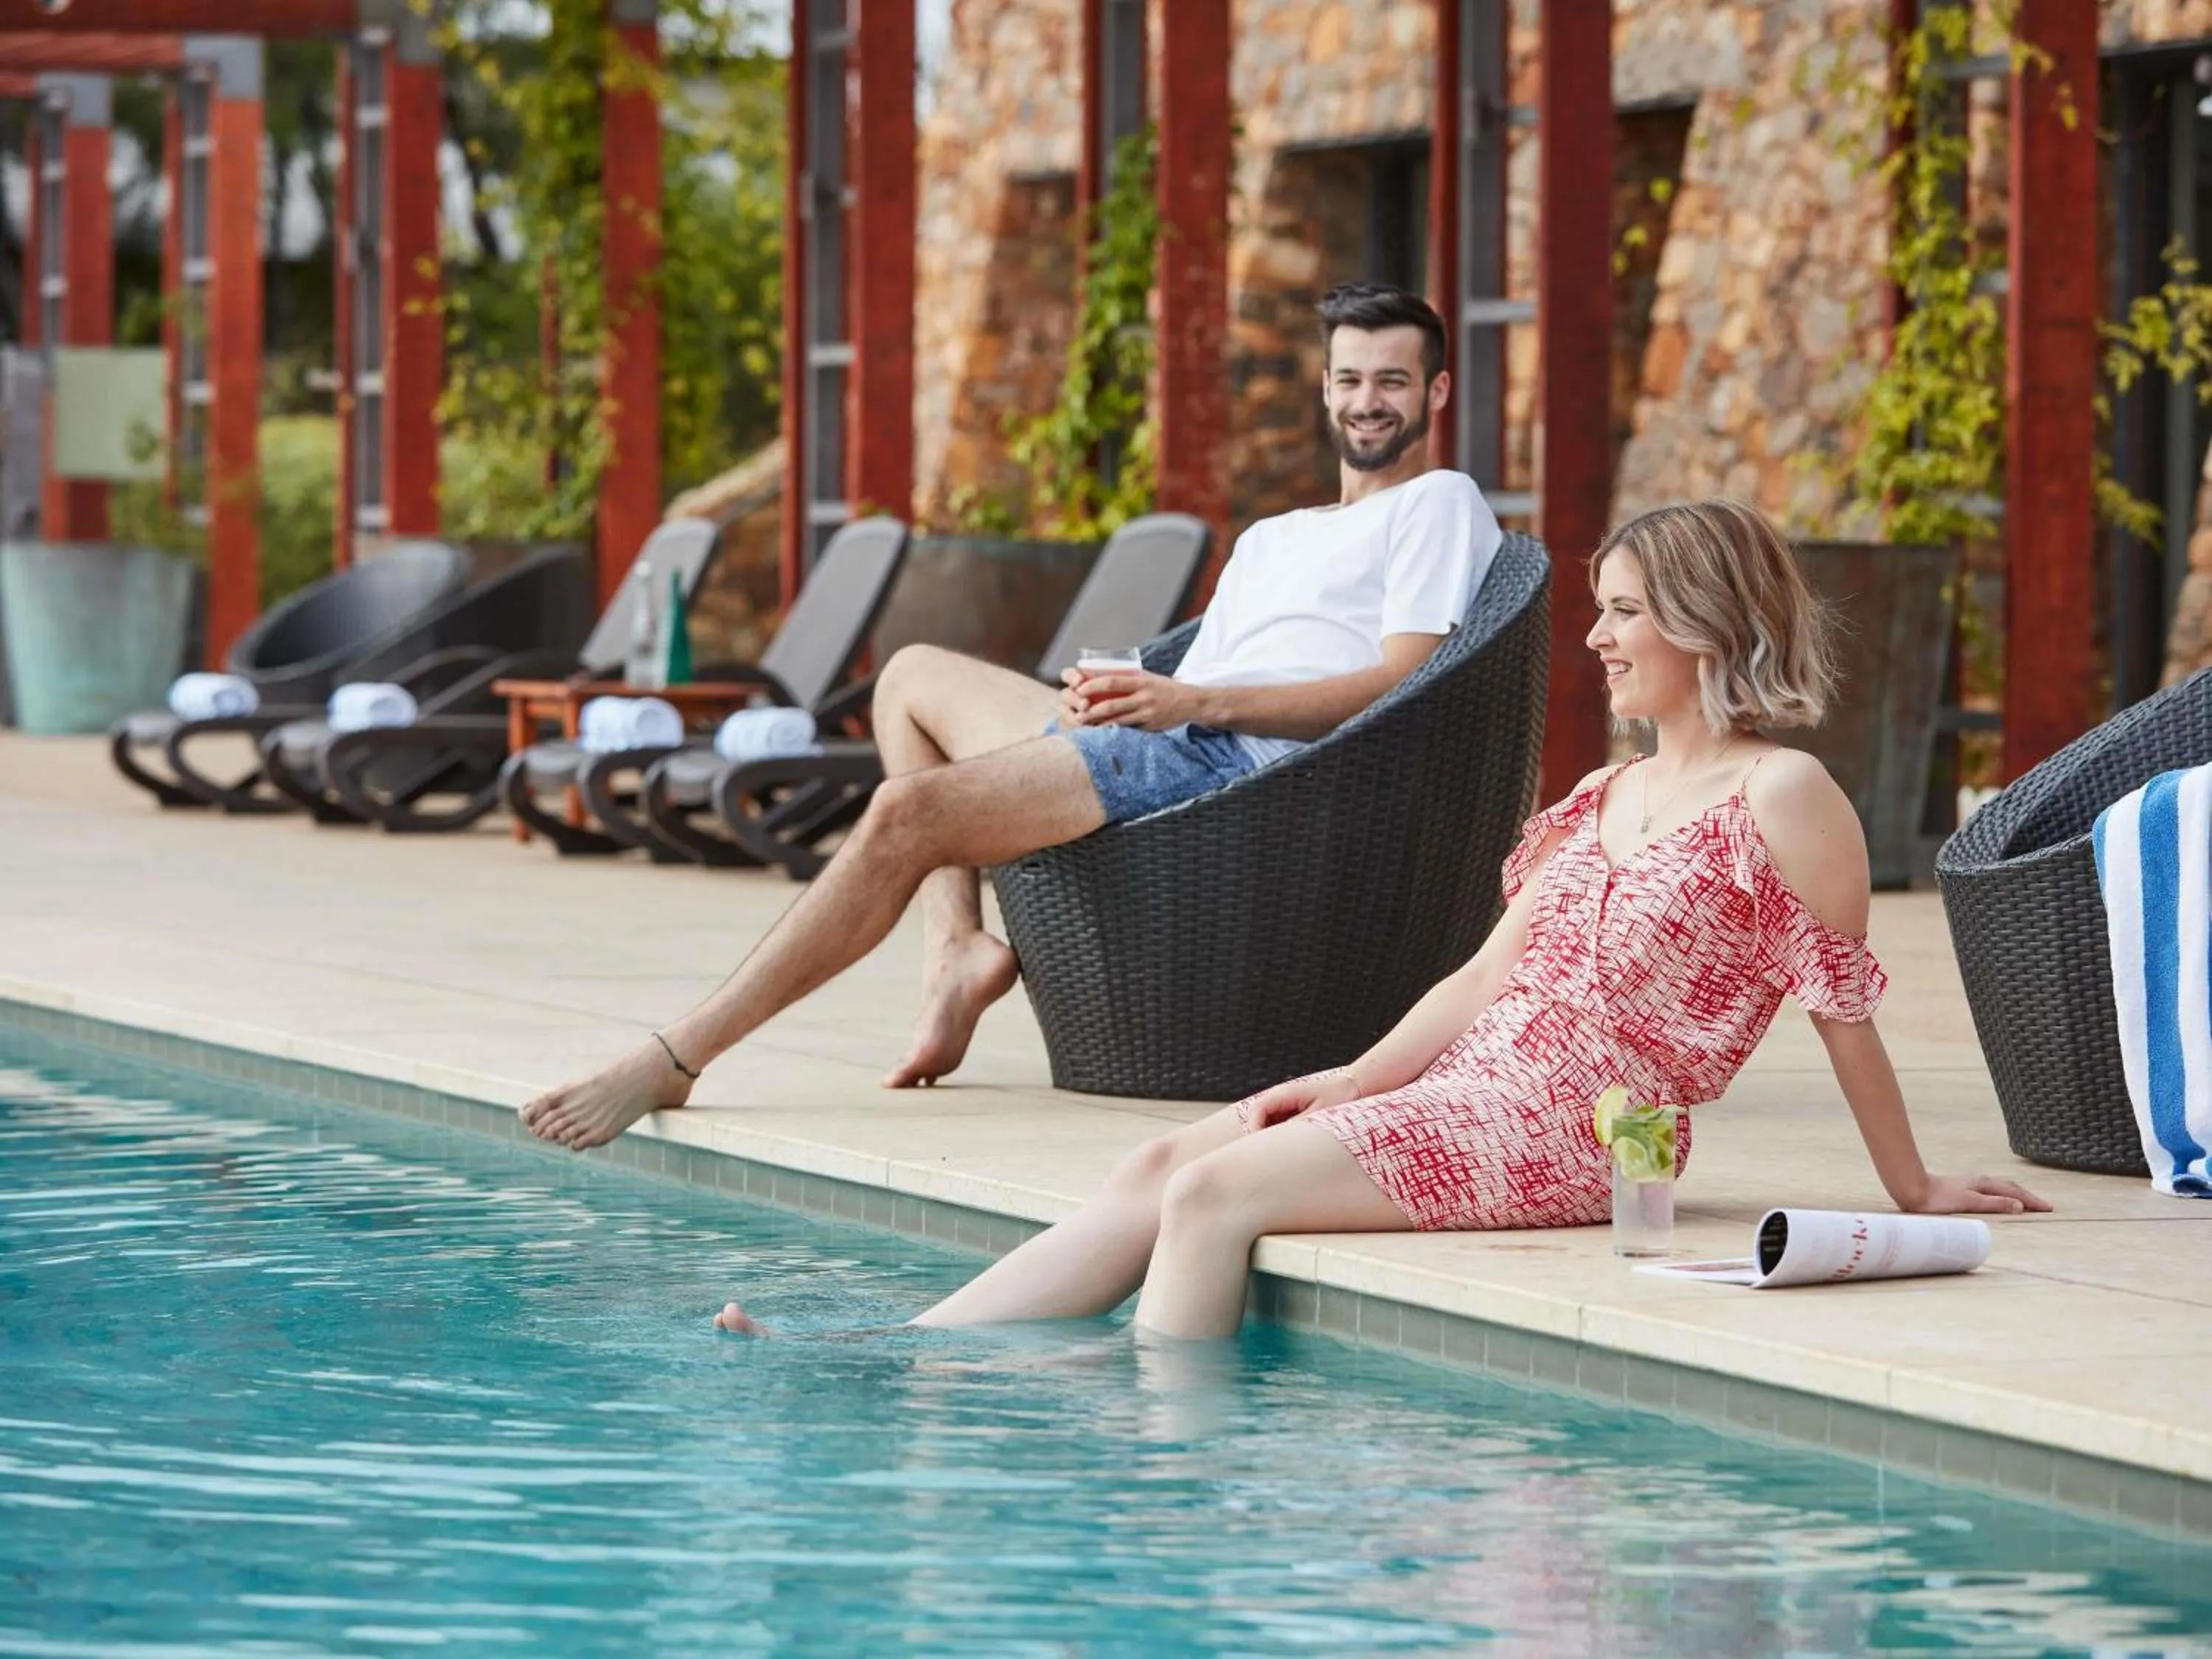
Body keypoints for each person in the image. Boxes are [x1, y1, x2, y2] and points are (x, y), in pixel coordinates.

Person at [712, 496, 2051, 1340]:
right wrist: (1347, 1079)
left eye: (1624, 613)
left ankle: (1160, 1484)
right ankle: (909, 1358)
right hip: (1469, 1086)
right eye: (1599, 610)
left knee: (1216, 1195)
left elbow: (1842, 1007)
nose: (1596, 638)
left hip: (1579, 1132)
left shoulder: (1785, 795)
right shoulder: (1601, 795)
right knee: (1170, 1155)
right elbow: (1480, 981)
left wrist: (1913, 1189)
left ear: (1704, 624)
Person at [523, 282, 1503, 1150]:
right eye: (1350, 379)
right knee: (908, 679)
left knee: (905, 813)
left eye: (1392, 381)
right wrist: (1116, 699)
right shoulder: (1274, 535)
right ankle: (957, 947)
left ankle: (680, 1055)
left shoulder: (1438, 503)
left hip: (1233, 766)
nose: (1368, 401)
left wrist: (1190, 702)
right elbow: (1203, 671)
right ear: (1325, 389)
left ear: (1435, 393)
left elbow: (1399, 683)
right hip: (1168, 740)